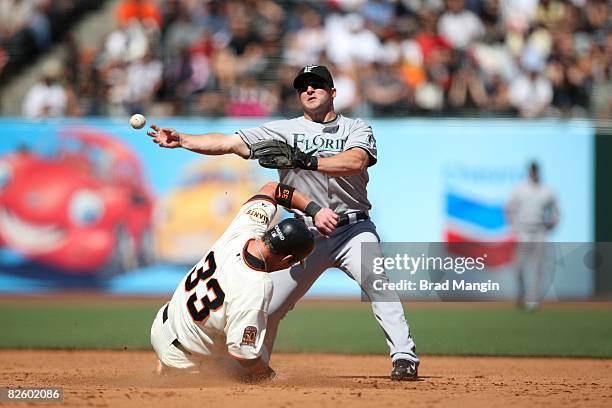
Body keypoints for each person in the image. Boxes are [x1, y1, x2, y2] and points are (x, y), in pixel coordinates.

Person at [147, 64, 420, 380]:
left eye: (317, 84)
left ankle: (404, 357)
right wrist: (183, 139)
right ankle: (252, 372)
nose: (309, 90)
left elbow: (356, 160)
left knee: (378, 284)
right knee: (269, 307)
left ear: (333, 92)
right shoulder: (283, 131)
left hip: (353, 228)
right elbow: (228, 142)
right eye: (303, 86)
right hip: (303, 237)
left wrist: (309, 161)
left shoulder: (355, 128)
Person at [151, 181, 337, 381]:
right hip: (185, 360)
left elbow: (273, 189)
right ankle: (174, 367)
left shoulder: (245, 227)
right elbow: (244, 355)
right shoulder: (257, 287)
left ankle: (165, 360)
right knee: (257, 361)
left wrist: (315, 211)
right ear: (285, 259)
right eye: (293, 262)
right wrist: (269, 377)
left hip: (162, 326)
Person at [506, 161, 560, 310]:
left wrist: (552, 224)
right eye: (532, 170)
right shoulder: (520, 189)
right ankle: (522, 293)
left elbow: (556, 211)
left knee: (537, 267)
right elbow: (509, 208)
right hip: (523, 230)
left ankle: (533, 300)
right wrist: (513, 226)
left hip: (540, 230)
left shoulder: (547, 190)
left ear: (539, 171)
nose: (534, 173)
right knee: (517, 267)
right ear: (529, 172)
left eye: (536, 170)